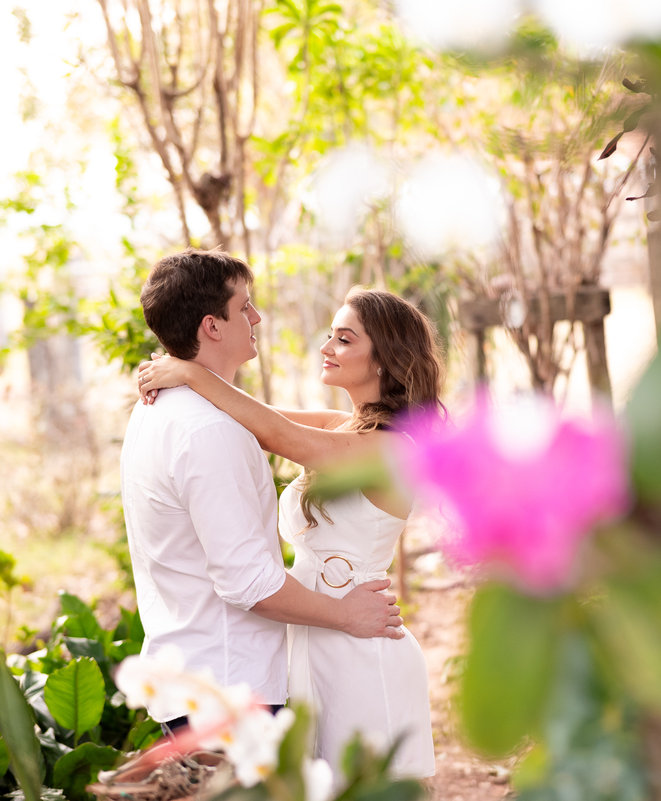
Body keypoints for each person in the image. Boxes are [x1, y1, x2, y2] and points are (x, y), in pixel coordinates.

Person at [137, 285, 440, 781]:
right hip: (309, 635)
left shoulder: (392, 449)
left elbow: (281, 437)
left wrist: (190, 371)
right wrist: (183, 377)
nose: (326, 348)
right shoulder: (342, 426)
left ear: (385, 359)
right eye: (330, 335)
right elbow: (250, 419)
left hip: (361, 642)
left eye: (344, 339)